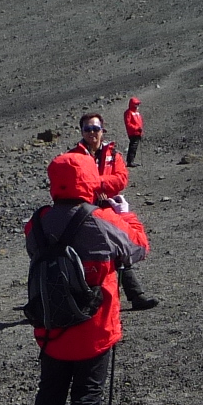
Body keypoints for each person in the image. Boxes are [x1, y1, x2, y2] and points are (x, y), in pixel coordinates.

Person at [23, 152, 148, 405]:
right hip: (94, 327)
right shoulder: (99, 220)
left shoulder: (37, 222)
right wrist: (124, 214)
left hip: (51, 327)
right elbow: (137, 248)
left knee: (49, 392)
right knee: (87, 394)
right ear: (89, 180)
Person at [71, 115, 156, 308]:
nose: (92, 132)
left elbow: (121, 180)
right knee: (93, 255)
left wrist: (97, 184)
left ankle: (134, 295)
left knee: (119, 249)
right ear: (81, 131)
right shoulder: (74, 156)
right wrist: (100, 186)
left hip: (110, 208)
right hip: (86, 212)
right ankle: (94, 297)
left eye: (95, 128)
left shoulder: (113, 154)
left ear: (102, 130)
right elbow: (74, 183)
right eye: (87, 129)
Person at [124, 96, 145, 164]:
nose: (138, 105)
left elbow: (140, 122)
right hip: (133, 132)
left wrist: (140, 130)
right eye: (136, 104)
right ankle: (130, 161)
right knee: (133, 147)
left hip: (138, 132)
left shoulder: (136, 113)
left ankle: (131, 161)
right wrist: (137, 128)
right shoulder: (129, 112)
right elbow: (128, 124)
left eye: (138, 104)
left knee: (134, 147)